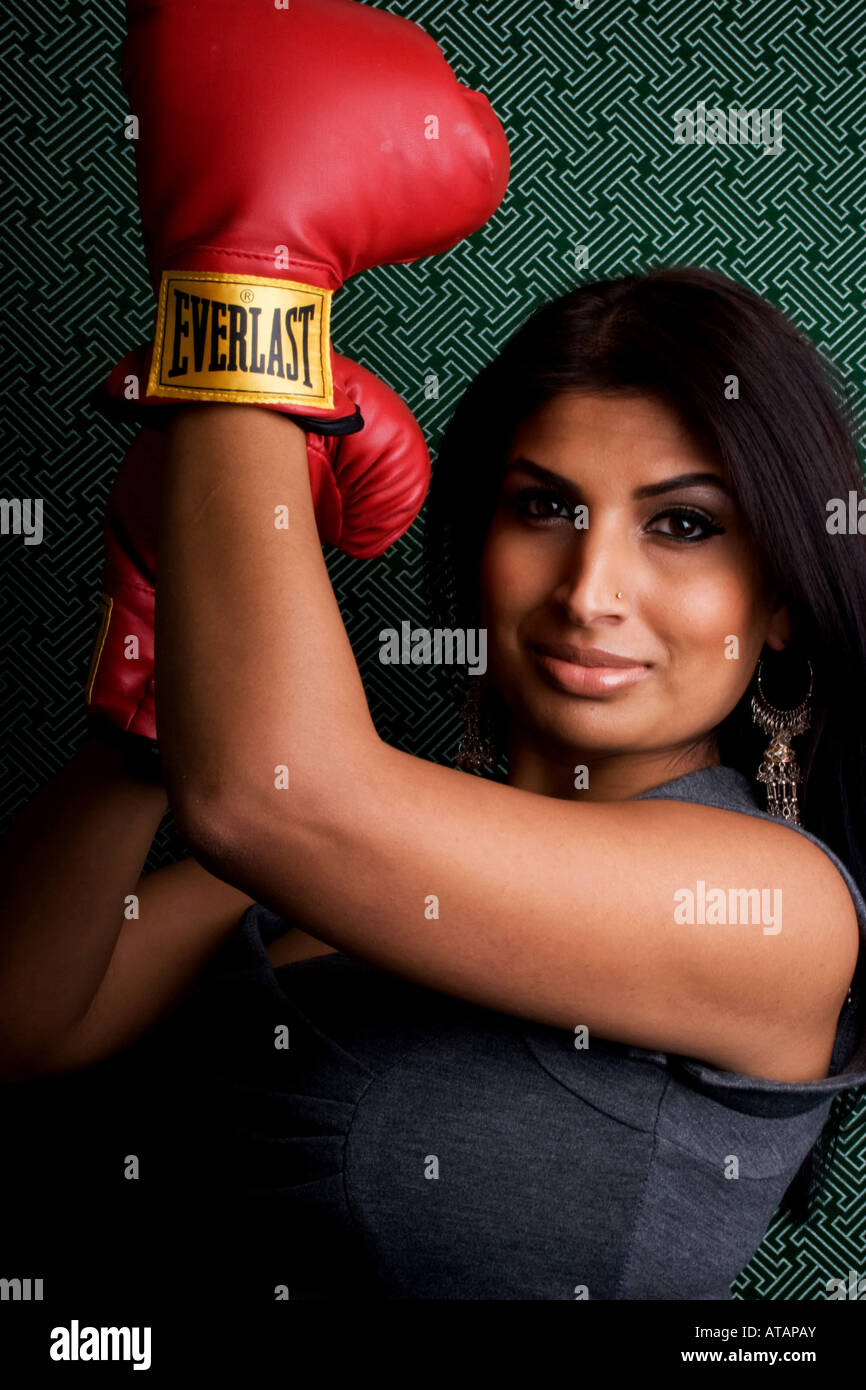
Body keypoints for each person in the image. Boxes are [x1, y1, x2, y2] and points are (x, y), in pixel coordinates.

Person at [2, 266, 865, 1302]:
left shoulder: (773, 909)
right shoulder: (320, 859)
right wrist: (153, 648)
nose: (588, 592)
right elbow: (26, 1025)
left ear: (776, 599)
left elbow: (265, 803)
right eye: (542, 505)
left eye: (680, 525)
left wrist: (247, 296)